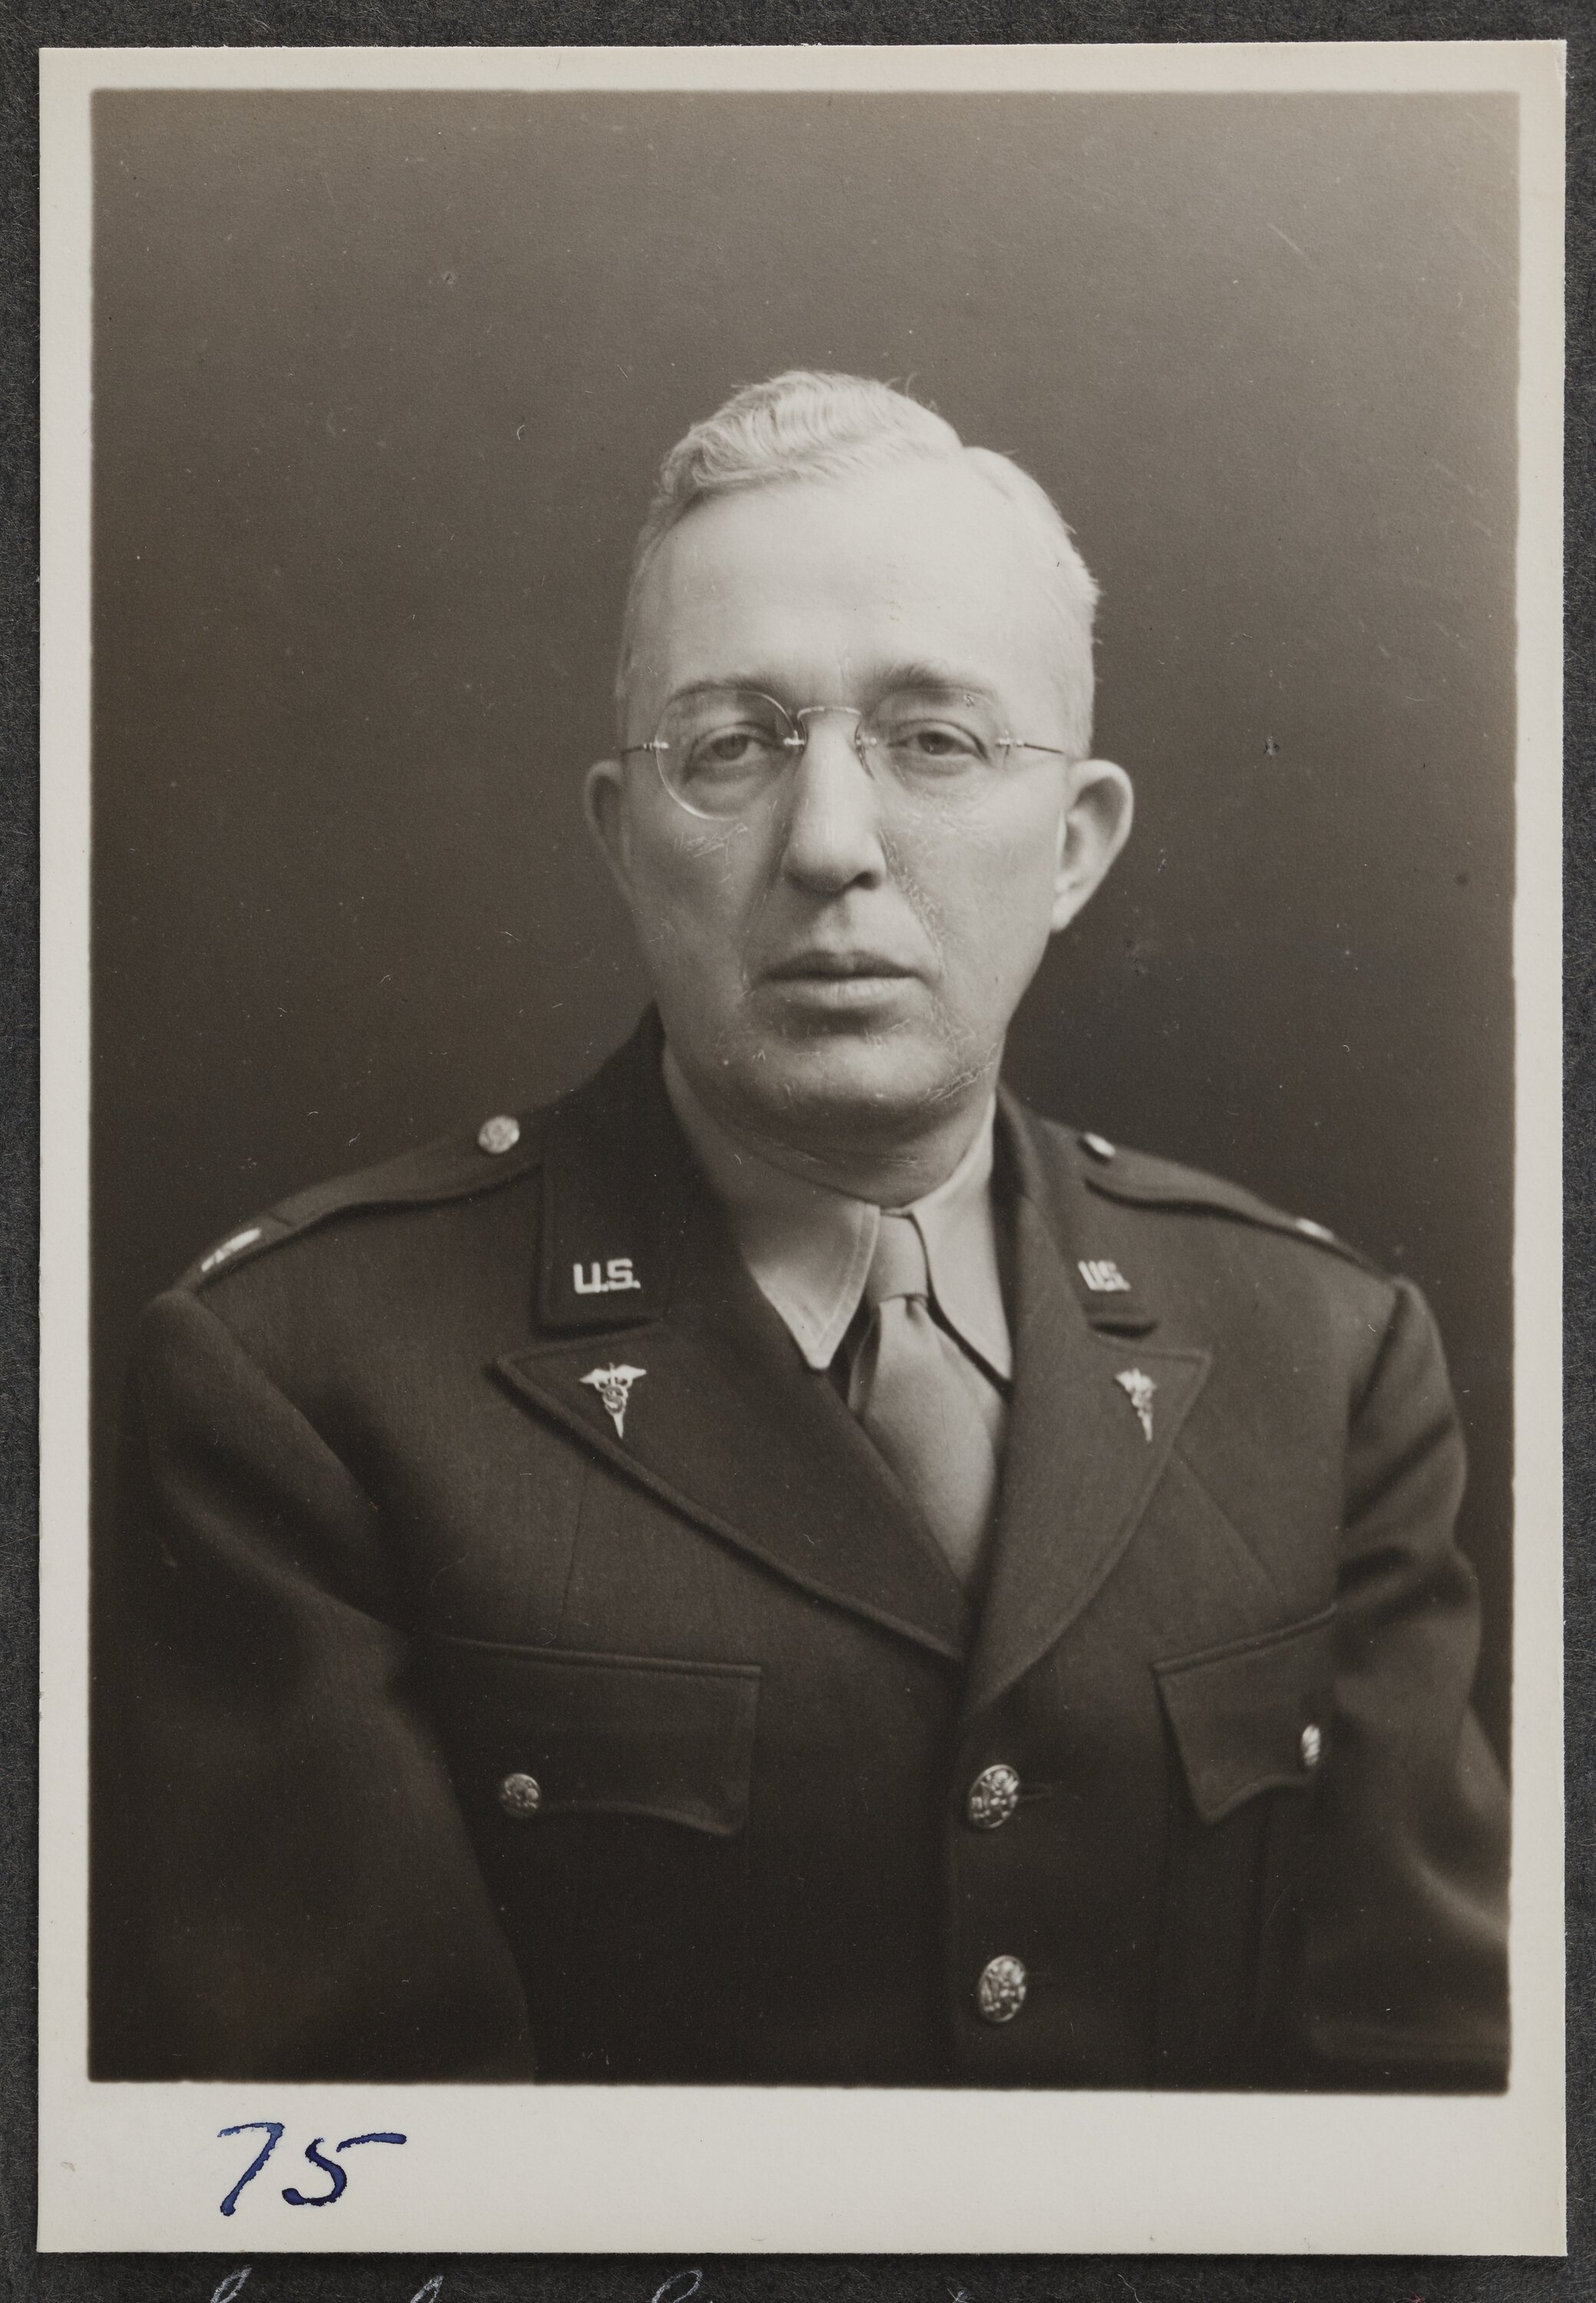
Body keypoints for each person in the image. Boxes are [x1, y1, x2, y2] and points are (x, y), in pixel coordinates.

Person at [99, 371, 1508, 2089]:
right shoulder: (302, 1379)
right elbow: (350, 2177)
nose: (831, 843)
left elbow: (1432, 2109)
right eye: (731, 746)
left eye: (934, 741)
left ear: (1074, 846)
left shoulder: (1324, 1356)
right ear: (626, 839)